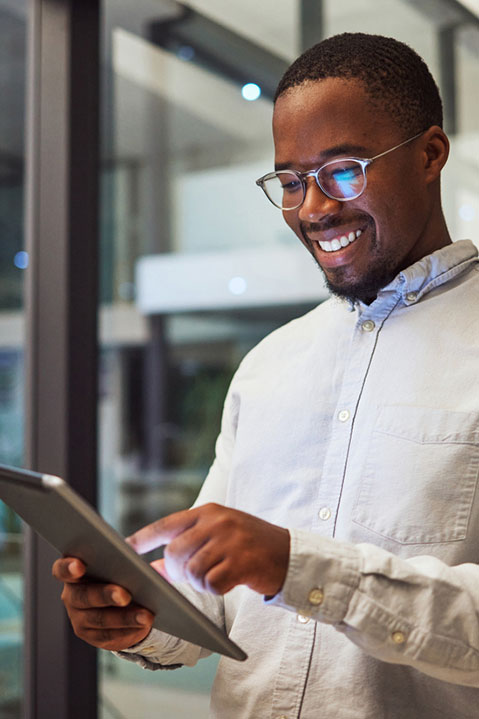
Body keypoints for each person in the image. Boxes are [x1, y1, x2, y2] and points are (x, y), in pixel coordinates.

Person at [53, 33, 479, 718]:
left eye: (343, 170)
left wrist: (297, 567)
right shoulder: (270, 364)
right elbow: (214, 607)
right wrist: (141, 616)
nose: (312, 208)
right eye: (289, 180)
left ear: (430, 154)